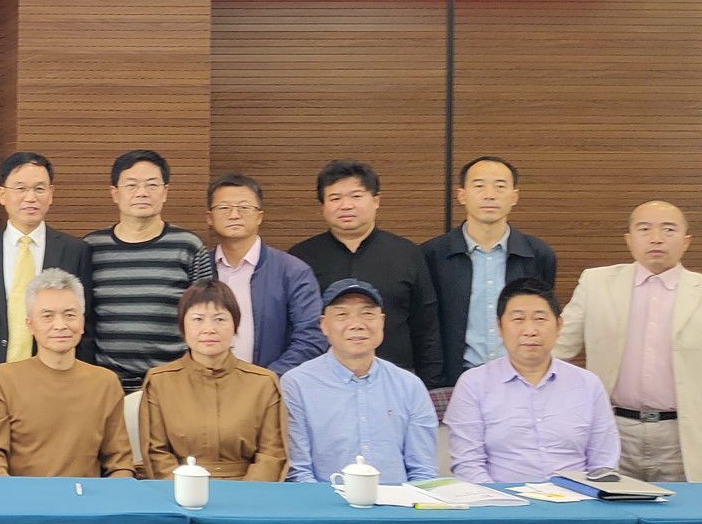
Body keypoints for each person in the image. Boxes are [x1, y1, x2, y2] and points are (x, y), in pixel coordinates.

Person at [555, 201, 702, 482]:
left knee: (685, 510)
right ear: (629, 240)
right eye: (644, 229)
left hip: (682, 438)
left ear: (686, 241)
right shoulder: (596, 284)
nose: (656, 238)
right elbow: (556, 351)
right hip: (610, 430)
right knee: (607, 508)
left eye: (668, 229)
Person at [288, 160, 445, 389]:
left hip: (396, 382)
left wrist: (430, 385)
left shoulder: (407, 253)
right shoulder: (301, 258)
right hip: (321, 384)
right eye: (335, 198)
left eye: (356, 196)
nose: (346, 205)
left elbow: (427, 327)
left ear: (376, 200)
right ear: (323, 205)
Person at [421, 157, 558, 416]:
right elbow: (426, 327)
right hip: (456, 384)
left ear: (514, 196)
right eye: (479, 186)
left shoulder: (538, 254)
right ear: (462, 195)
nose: (489, 195)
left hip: (521, 381)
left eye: (500, 186)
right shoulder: (432, 255)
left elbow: (542, 319)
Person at [447, 279, 618, 483]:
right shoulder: (473, 384)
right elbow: (468, 465)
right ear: (500, 327)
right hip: (501, 499)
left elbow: (603, 465)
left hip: (577, 498)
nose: (530, 330)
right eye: (518, 319)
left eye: (540, 319)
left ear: (559, 325)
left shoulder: (589, 384)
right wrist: (501, 500)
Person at [0, 270, 134, 478]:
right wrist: (10, 492)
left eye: (69, 315)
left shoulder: (105, 382)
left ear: (82, 322)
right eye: (47, 316)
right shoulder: (4, 378)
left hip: (86, 495)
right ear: (30, 324)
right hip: (21, 494)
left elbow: (120, 463)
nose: (60, 325)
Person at [282, 279, 438, 484]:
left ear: (382, 321)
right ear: (324, 325)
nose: (356, 324)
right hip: (325, 501)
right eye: (342, 315)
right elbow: (298, 471)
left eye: (367, 314)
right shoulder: (297, 384)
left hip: (397, 501)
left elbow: (423, 471)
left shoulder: (410, 386)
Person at [84, 150, 215, 390]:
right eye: (131, 185)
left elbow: (205, 316)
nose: (142, 192)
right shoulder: (92, 247)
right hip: (108, 385)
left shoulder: (188, 246)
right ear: (114, 193)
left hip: (173, 385)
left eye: (152, 185)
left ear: (165, 192)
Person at [0, 152, 95, 386]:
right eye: (21, 189)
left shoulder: (75, 251)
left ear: (51, 194)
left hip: (56, 379)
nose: (30, 197)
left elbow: (86, 323)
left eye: (39, 189)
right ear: (2, 195)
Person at [140, 280, 288, 481]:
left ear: (235, 325)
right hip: (180, 489)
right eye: (198, 319)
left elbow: (271, 454)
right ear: (182, 326)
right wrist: (188, 490)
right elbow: (156, 453)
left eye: (219, 319)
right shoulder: (160, 381)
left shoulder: (263, 382)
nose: (209, 329)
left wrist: (247, 494)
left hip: (248, 491)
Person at [193, 173, 326, 374]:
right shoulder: (198, 268)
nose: (234, 215)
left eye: (244, 208)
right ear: (209, 218)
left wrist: (267, 379)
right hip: (204, 384)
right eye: (224, 208)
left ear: (259, 217)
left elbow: (311, 336)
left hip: (273, 385)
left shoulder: (292, 271)